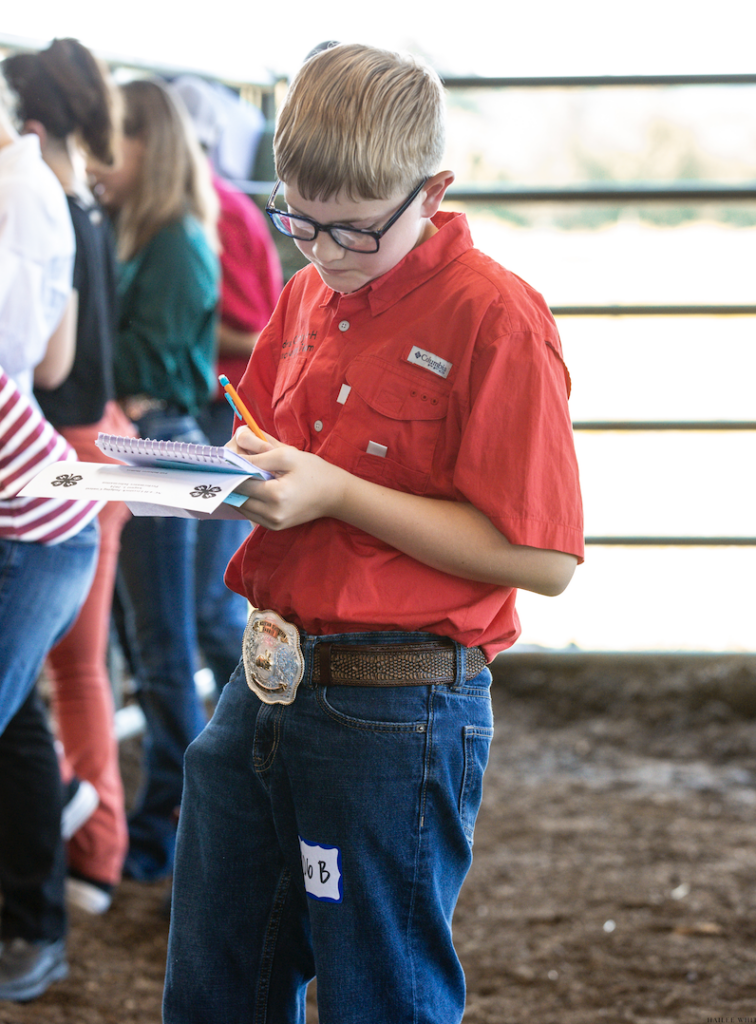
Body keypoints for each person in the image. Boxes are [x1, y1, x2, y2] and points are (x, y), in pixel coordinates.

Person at [163, 43, 584, 1024]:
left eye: (353, 229)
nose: (323, 252)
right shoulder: (311, 290)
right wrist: (219, 478)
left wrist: (336, 494)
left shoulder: (496, 318)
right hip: (265, 678)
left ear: (431, 190)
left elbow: (546, 560)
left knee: (378, 993)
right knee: (216, 980)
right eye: (298, 221)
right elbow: (261, 441)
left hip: (395, 708)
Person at [3, 37, 133, 916]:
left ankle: (92, 838)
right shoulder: (81, 206)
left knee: (74, 675)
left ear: (32, 120)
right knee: (68, 677)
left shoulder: (37, 203)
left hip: (67, 451)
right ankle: (89, 840)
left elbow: (46, 366)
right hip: (82, 442)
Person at [88, 78, 220, 883]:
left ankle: (169, 825)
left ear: (149, 146)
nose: (104, 161)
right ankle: (168, 818)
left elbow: (151, 362)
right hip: (142, 441)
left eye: (115, 144)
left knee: (163, 647)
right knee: (154, 643)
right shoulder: (141, 233)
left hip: (161, 443)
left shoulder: (173, 241)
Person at [0, 83, 100, 1001]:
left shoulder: (28, 194)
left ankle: (38, 923)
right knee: (16, 714)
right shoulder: (39, 190)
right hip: (31, 506)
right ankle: (32, 915)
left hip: (41, 528)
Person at [172, 75, 283, 695]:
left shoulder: (214, 212)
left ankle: (259, 712)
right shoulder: (212, 207)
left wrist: (179, 337)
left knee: (209, 599)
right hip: (216, 409)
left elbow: (253, 328)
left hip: (225, 413)